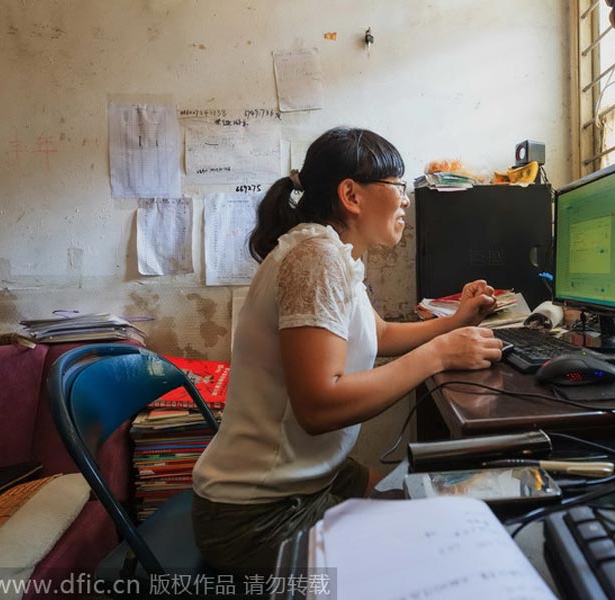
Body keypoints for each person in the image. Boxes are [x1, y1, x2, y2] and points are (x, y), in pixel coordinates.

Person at [191, 126, 502, 573]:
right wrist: (439, 354)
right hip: (258, 516)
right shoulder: (314, 259)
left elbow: (379, 335)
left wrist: (456, 322)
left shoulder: (332, 255)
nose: (406, 199)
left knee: (433, 499)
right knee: (442, 554)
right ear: (351, 195)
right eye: (398, 186)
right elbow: (318, 407)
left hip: (312, 479)